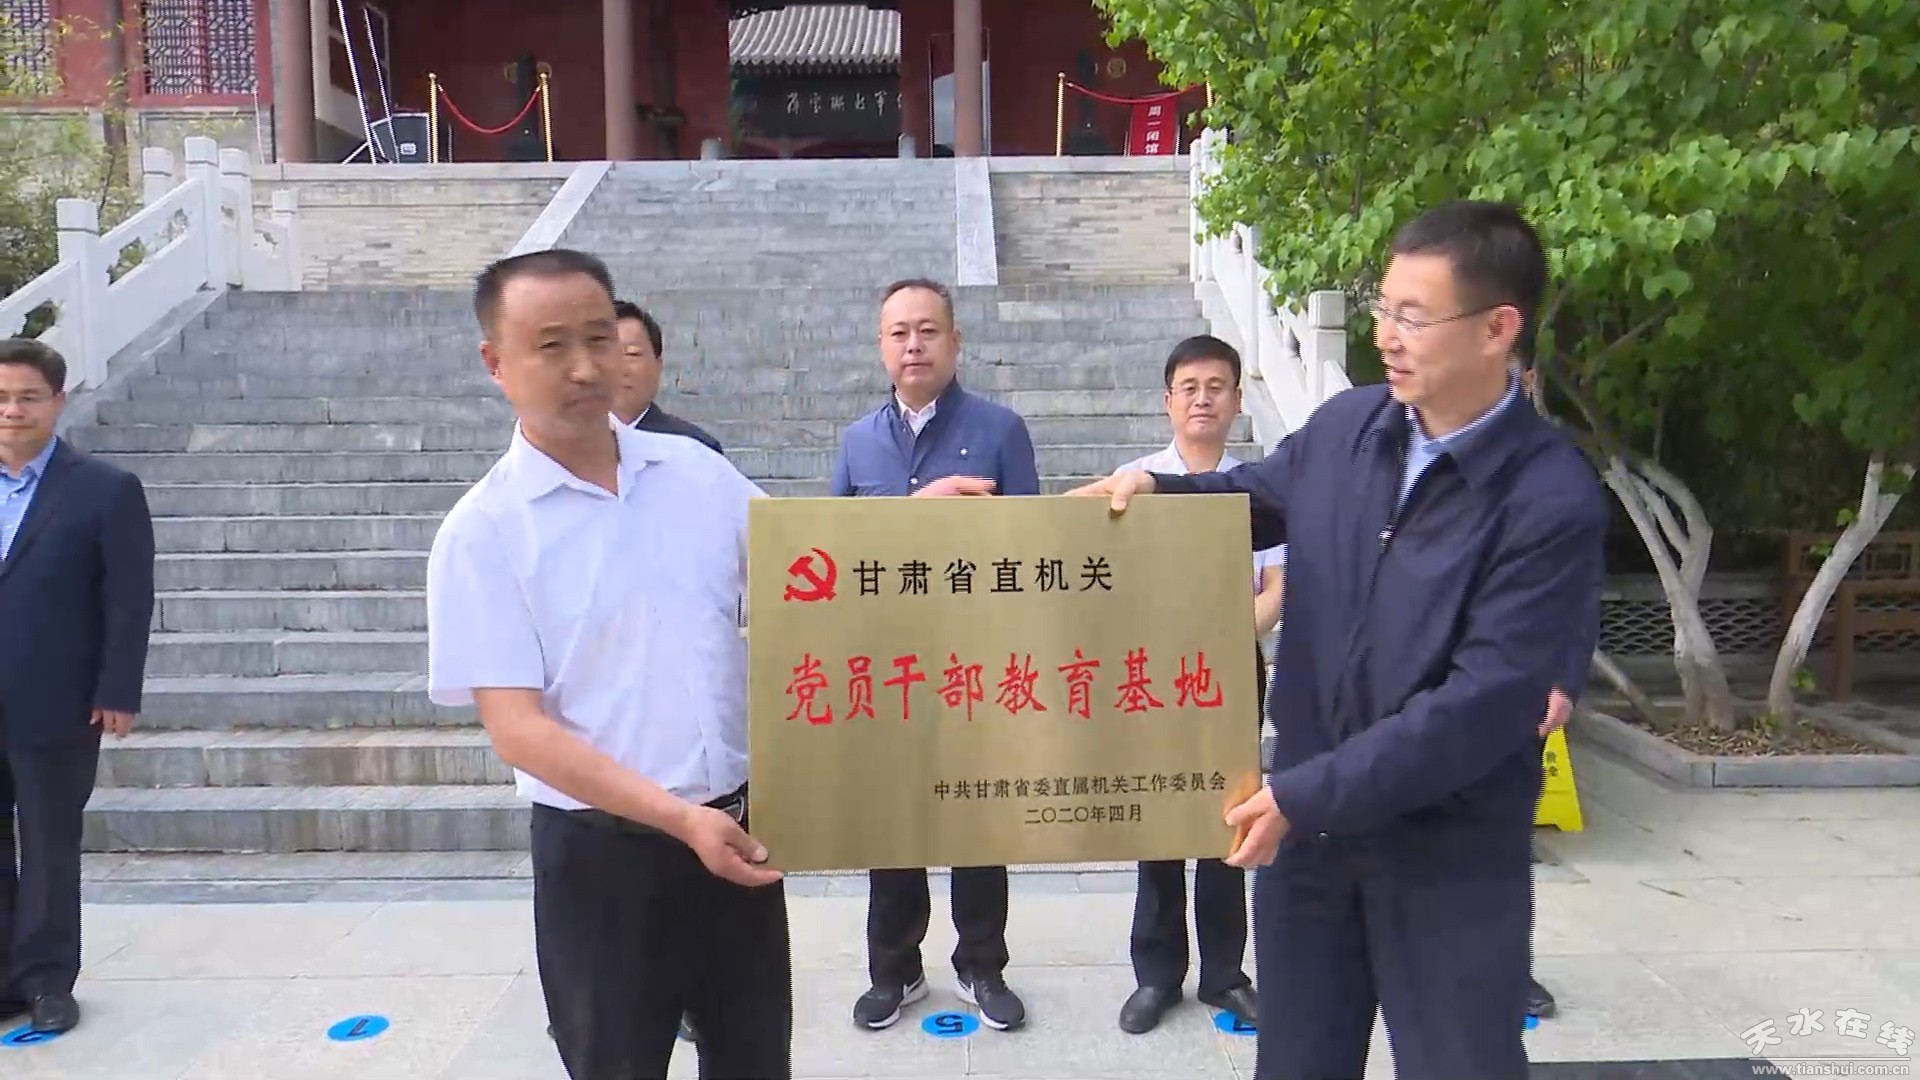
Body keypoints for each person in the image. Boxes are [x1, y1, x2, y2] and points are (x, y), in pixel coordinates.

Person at [1069, 201, 1608, 1079]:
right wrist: (1157, 497)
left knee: (1459, 1063)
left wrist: (1304, 793)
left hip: (1448, 855)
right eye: (1383, 307)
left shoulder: (1548, 498)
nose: (1385, 335)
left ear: (1498, 329)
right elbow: (1254, 498)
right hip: (1313, 850)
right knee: (1298, 1060)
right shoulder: (1350, 427)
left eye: (1413, 316)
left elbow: (1480, 708)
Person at [425, 248, 790, 1079]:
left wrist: (917, 523)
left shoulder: (696, 473)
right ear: (495, 362)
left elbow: (813, 572)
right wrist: (680, 820)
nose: (587, 367)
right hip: (602, 863)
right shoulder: (484, 533)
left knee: (756, 1059)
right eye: (551, 346)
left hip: (735, 836)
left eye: (600, 338)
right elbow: (518, 730)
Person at [834, 277, 1039, 1033]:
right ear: (881, 347)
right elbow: (831, 554)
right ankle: (895, 970)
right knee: (893, 821)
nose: (913, 345)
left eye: (927, 330)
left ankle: (983, 965)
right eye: (899, 333)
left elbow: (1034, 550)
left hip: (976, 667)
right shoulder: (857, 442)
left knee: (978, 819)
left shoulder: (1000, 430)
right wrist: (911, 513)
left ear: (956, 341)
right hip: (888, 669)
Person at [1112, 335, 1272, 1034]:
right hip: (1151, 674)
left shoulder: (1261, 488)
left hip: (1231, 669)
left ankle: (1225, 974)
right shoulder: (1135, 480)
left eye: (1216, 387)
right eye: (1189, 387)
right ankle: (1156, 975)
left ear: (1236, 400)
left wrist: (1223, 640)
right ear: (1168, 400)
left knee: (1227, 817)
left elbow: (1277, 589)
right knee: (1157, 814)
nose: (1202, 399)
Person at [0, 338, 156, 1036]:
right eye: (1, 398)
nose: (12, 411)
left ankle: (45, 981)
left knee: (49, 843)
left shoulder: (103, 489)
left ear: (57, 402)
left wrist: (118, 687)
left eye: (28, 397)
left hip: (58, 698)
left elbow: (128, 597)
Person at [610, 299, 723, 454]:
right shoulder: (574, 446)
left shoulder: (697, 448)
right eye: (607, 353)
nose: (619, 368)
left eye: (632, 354)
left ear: (658, 365)